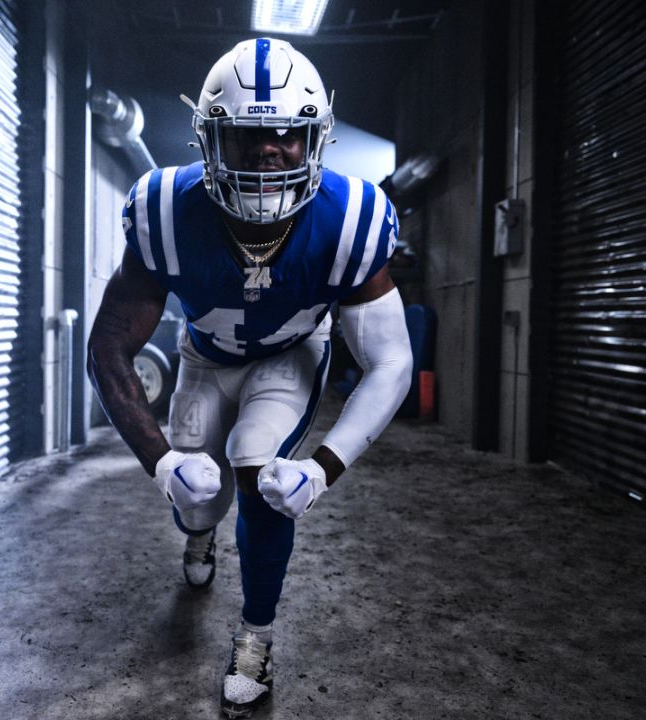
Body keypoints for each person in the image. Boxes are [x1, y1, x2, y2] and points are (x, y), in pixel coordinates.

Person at [86, 37, 413, 718]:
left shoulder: (348, 220)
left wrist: (320, 469)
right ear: (210, 142)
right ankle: (199, 530)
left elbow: (391, 362)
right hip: (206, 358)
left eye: (289, 134)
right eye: (247, 135)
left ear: (314, 137)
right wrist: (160, 463)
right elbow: (110, 348)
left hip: (290, 358)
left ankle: (256, 635)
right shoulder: (166, 211)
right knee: (197, 496)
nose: (270, 151)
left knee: (261, 475)